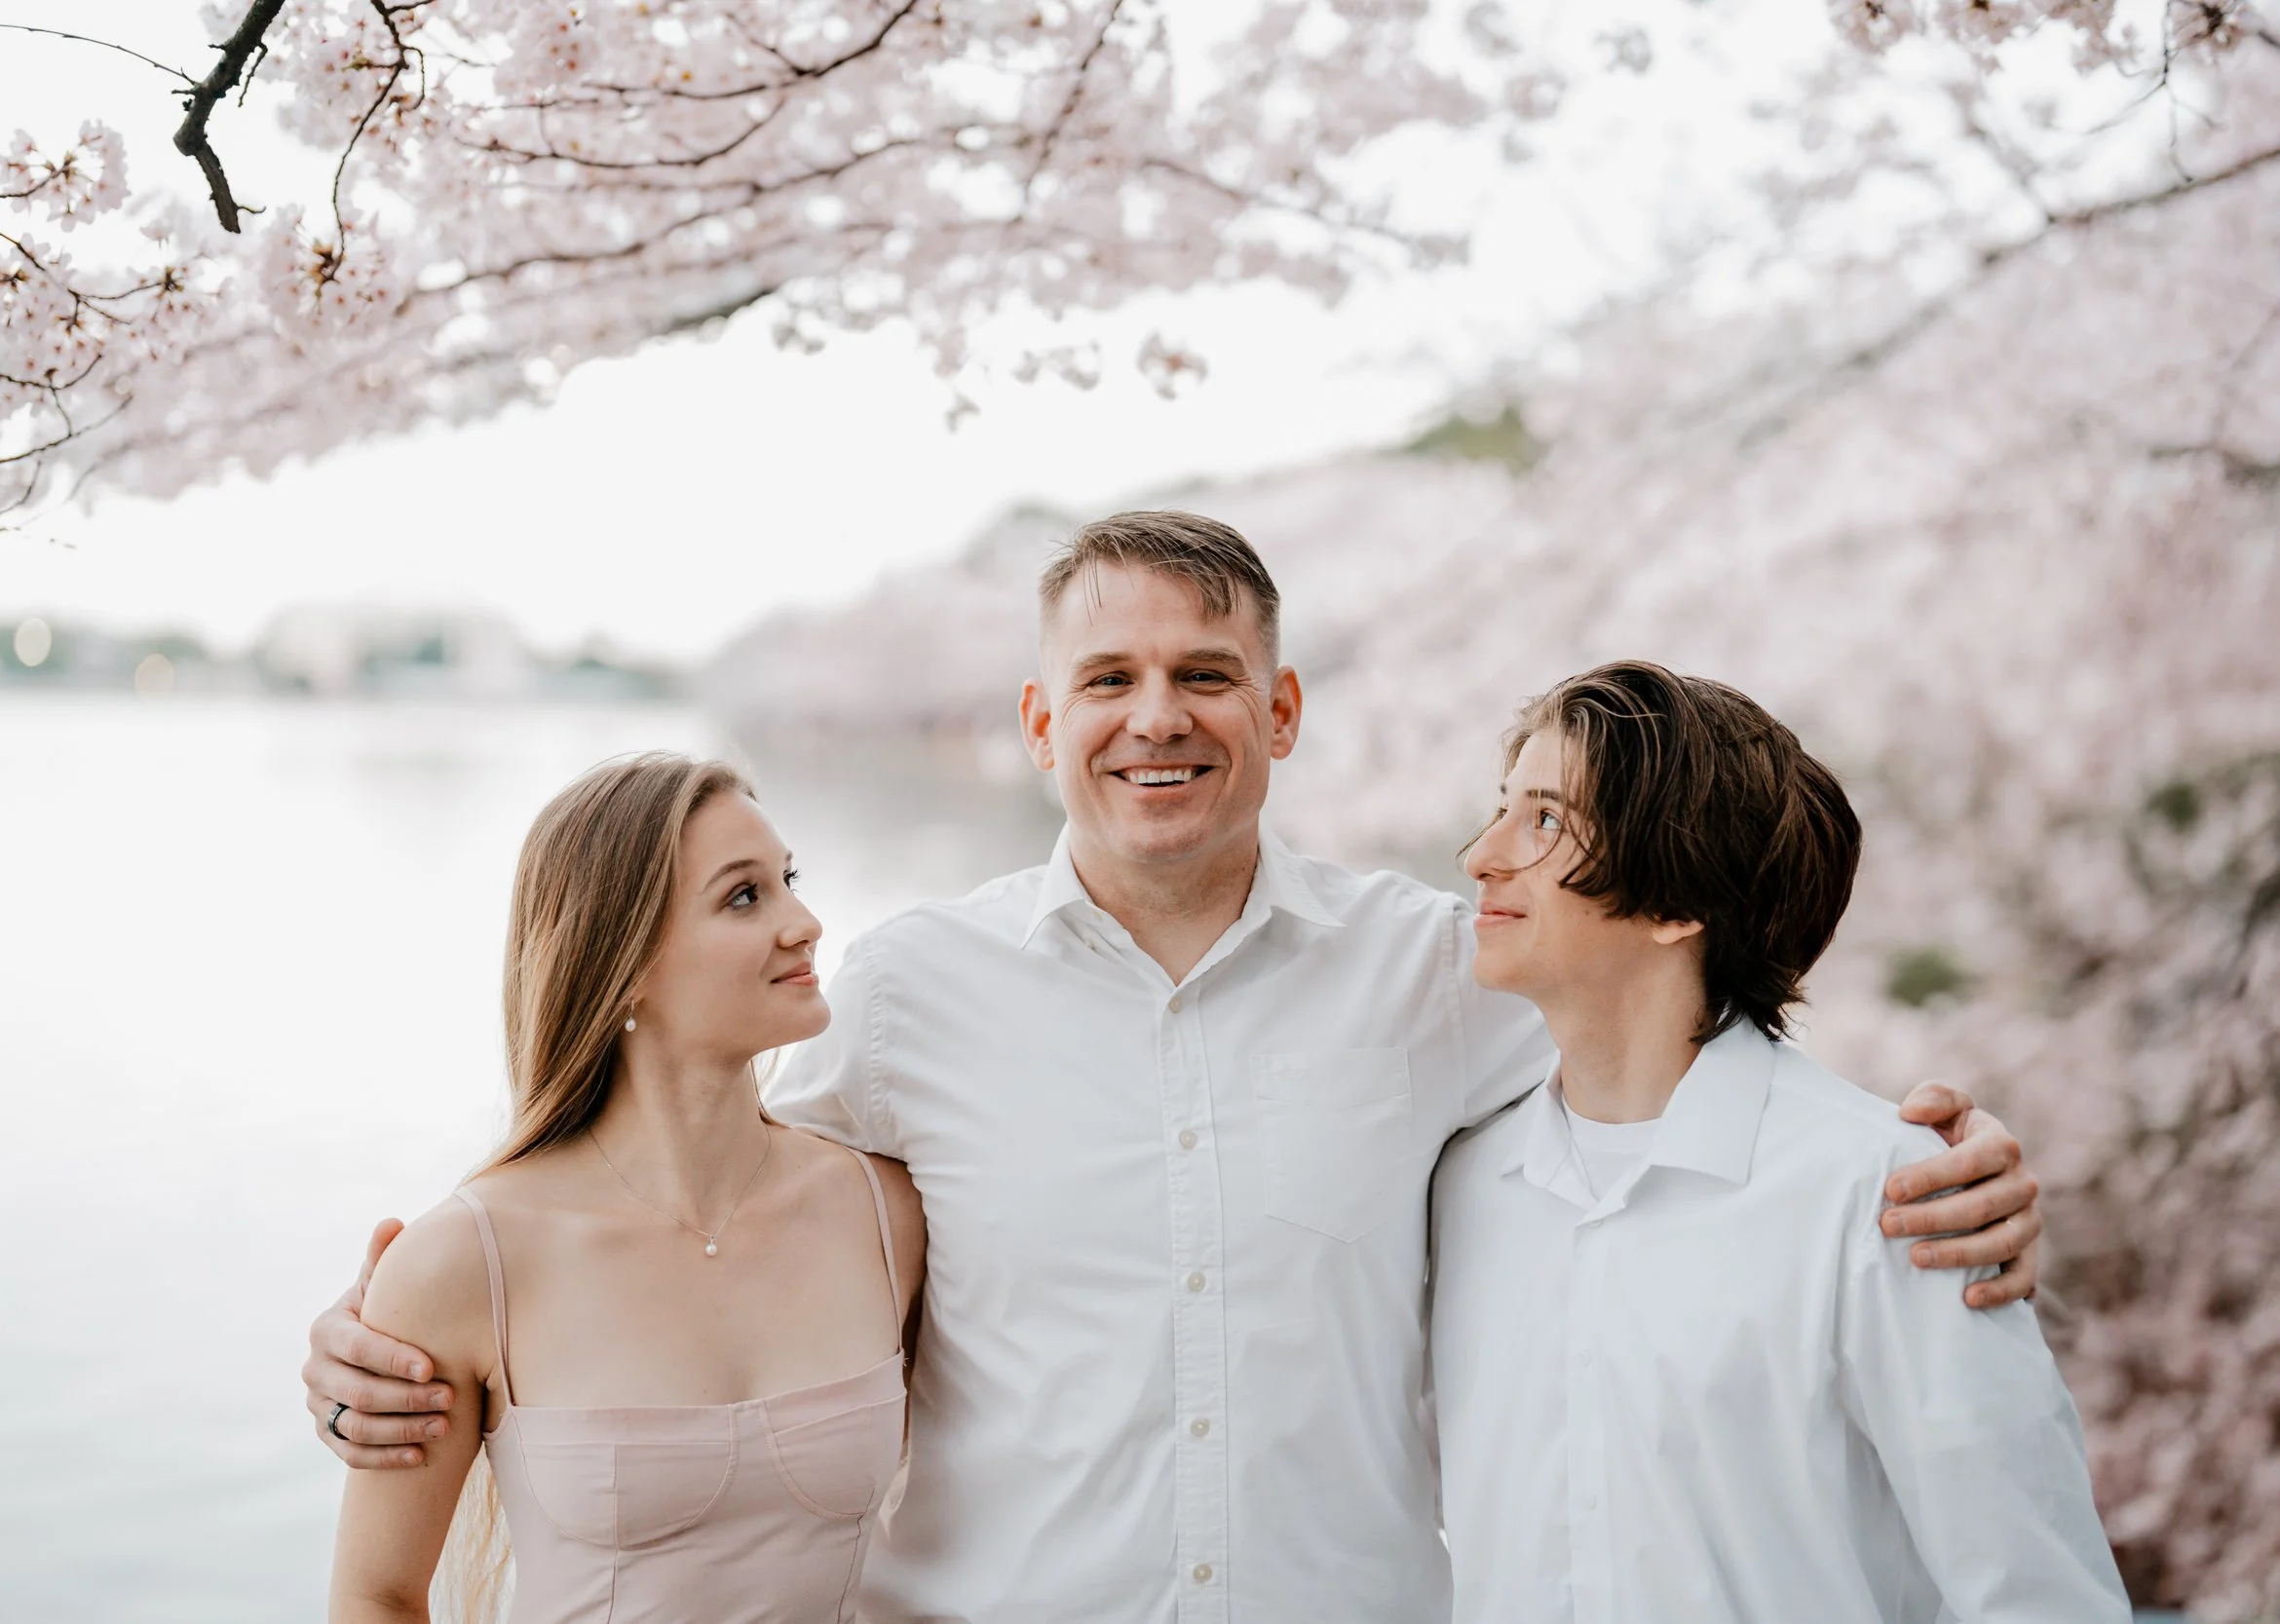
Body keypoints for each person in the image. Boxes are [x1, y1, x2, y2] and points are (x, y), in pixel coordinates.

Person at [309, 512, 2044, 1622]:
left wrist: (1923, 1159)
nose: (1162, 716)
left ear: (1281, 713)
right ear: (1038, 721)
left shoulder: (1440, 972)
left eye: (1209, 675)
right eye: (1112, 677)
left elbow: (1669, 1020)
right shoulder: (907, 993)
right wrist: (385, 1350)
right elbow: (685, 1202)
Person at [1432, 661, 2122, 1622]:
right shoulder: (1461, 1186)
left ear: (1676, 904)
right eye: (1502, 808)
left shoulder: (1887, 1194)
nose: (1479, 853)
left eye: (1543, 820)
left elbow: (2035, 1592)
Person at [326, 754, 925, 1624]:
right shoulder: (467, 1259)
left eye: (787, 879)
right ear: (627, 964)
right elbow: (375, 1595)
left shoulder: (885, 1214)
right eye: (745, 896)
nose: (806, 922)